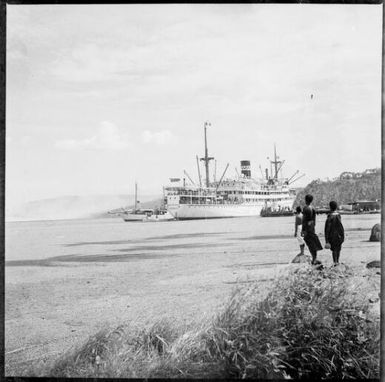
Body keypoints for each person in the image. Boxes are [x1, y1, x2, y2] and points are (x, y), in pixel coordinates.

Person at [301, 194, 323, 264]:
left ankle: (314, 259)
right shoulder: (313, 208)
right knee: (313, 243)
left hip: (307, 229)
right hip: (312, 228)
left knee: (310, 244)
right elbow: (313, 220)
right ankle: (314, 258)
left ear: (305, 200)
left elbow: (304, 221)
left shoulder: (305, 208)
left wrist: (303, 231)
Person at [324, 201, 345, 266]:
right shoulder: (338, 215)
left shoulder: (330, 216)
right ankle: (337, 261)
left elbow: (327, 228)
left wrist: (326, 239)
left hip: (332, 235)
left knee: (334, 250)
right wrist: (342, 235)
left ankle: (335, 262)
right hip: (339, 235)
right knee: (338, 249)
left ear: (330, 207)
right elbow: (341, 226)